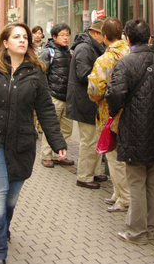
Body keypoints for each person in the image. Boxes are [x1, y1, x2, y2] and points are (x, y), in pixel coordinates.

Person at [0, 23, 67, 264]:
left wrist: (57, 140)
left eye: (25, 37)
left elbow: (46, 109)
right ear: (5, 42)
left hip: (22, 142)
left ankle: (1, 228)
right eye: (16, 36)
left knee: (10, 198)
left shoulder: (36, 71)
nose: (22, 40)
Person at [106, 19, 154, 245]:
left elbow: (115, 95)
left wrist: (115, 111)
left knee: (136, 182)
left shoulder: (124, 64)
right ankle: (150, 229)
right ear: (150, 38)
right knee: (153, 182)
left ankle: (136, 231)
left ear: (128, 38)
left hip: (135, 129)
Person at [88, 17, 131, 212]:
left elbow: (95, 90)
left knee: (114, 158)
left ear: (104, 37)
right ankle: (117, 193)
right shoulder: (130, 52)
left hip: (109, 113)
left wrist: (96, 98)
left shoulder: (104, 59)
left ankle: (124, 197)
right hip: (131, 111)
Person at [67, 20, 106, 188]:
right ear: (95, 33)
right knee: (88, 140)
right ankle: (84, 176)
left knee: (95, 139)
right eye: (103, 35)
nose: (105, 39)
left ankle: (94, 172)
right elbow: (83, 74)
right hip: (84, 101)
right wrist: (103, 76)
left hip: (90, 101)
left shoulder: (93, 47)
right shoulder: (84, 48)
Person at [38, 23, 73, 168]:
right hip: (53, 96)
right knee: (51, 127)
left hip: (67, 97)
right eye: (62, 35)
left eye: (67, 35)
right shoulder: (48, 52)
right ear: (54, 37)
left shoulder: (69, 52)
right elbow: (41, 73)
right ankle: (46, 155)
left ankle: (60, 153)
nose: (65, 38)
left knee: (66, 129)